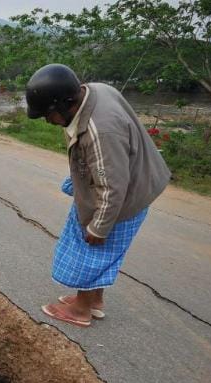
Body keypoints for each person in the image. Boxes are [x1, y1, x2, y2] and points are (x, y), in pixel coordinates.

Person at [26, 64, 171, 327]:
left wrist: (99, 226)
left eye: (48, 114)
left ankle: (81, 310)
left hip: (124, 196)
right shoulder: (94, 91)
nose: (48, 121)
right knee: (103, 251)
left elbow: (113, 189)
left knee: (91, 245)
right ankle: (94, 300)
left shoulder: (100, 131)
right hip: (136, 182)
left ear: (65, 104)